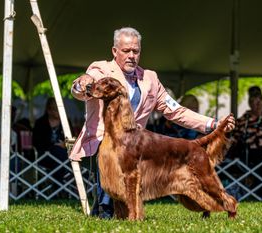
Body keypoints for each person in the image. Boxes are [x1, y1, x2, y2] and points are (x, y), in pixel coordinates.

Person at [69, 27, 235, 219]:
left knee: (131, 176)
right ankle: (106, 215)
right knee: (110, 185)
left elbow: (176, 110)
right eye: (126, 51)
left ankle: (123, 215)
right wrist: (82, 82)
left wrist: (213, 124)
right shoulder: (100, 69)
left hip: (133, 147)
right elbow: (80, 90)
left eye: (136, 51)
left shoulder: (150, 79)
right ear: (115, 51)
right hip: (101, 143)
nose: (131, 55)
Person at [32, 97, 70, 184]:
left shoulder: (66, 122)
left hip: (64, 154)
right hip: (44, 154)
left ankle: (59, 186)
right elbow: (37, 142)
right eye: (55, 109)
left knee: (63, 155)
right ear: (49, 110)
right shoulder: (40, 123)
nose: (58, 112)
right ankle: (60, 186)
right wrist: (54, 146)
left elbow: (72, 140)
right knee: (60, 154)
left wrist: (66, 144)